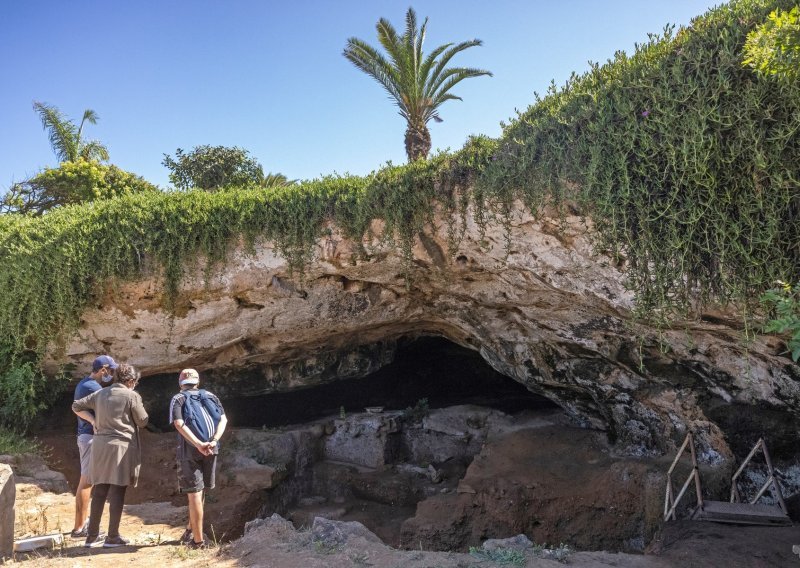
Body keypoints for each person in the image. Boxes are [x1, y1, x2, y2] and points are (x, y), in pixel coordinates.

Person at [72, 363, 149, 548]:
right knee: (118, 490)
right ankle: (112, 537)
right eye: (135, 382)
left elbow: (76, 405)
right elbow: (143, 421)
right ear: (130, 381)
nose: (135, 385)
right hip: (120, 448)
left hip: (99, 447)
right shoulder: (132, 396)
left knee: (99, 490)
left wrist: (92, 420)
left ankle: (91, 536)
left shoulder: (100, 393)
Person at [169, 369, 227, 549]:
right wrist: (213, 441)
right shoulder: (210, 395)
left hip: (190, 451)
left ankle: (198, 541)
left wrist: (197, 444)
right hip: (212, 448)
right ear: (197, 382)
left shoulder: (178, 398)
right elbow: (224, 419)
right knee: (201, 492)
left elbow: (179, 424)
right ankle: (190, 530)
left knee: (194, 493)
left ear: (180, 383)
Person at [71, 354, 117, 538]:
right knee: (87, 481)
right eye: (111, 370)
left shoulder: (84, 384)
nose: (112, 374)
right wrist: (93, 420)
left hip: (87, 437)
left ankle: (82, 525)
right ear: (103, 370)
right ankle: (79, 528)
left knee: (88, 480)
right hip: (89, 437)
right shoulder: (92, 387)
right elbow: (77, 407)